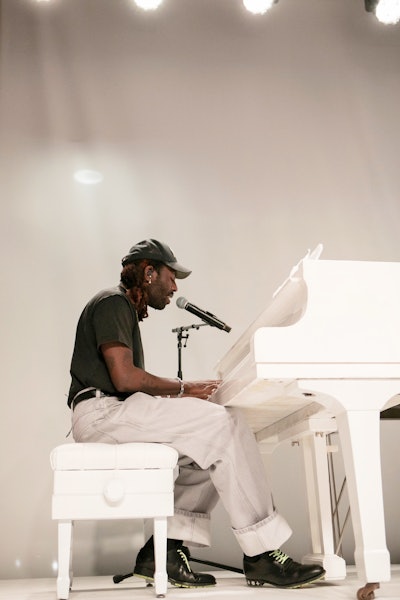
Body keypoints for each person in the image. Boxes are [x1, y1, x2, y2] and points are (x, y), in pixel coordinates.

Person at [67, 238, 325, 590]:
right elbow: (124, 378)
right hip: (101, 413)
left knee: (203, 450)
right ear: (148, 272)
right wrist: (184, 388)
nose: (174, 287)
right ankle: (263, 554)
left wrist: (184, 394)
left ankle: (163, 551)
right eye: (171, 277)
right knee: (226, 423)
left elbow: (127, 383)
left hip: (111, 411)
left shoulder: (119, 307)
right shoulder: (113, 302)